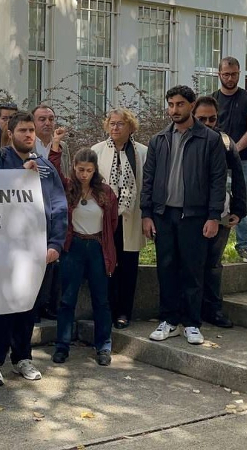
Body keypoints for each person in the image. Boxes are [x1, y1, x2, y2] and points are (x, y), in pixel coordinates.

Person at [0, 112, 67, 387]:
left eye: (31, 130)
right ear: (10, 133)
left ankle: (22, 358)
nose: (29, 135)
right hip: (1, 247)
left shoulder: (45, 166)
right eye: (23, 131)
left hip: (34, 250)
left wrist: (55, 243)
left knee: (28, 307)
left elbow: (58, 205)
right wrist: (20, 175)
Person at [141, 85, 227, 345]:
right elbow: (148, 179)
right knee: (166, 269)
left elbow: (218, 180)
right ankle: (169, 320)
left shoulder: (210, 139)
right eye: (171, 105)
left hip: (194, 216)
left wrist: (214, 216)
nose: (174, 110)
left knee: (192, 270)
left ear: (191, 105)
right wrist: (147, 214)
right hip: (163, 215)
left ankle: (191, 323)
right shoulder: (159, 140)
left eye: (179, 104)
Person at [49, 145, 117, 365]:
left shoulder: (105, 192)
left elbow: (112, 222)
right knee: (67, 299)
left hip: (97, 246)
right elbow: (53, 172)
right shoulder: (68, 188)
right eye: (80, 170)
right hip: (74, 246)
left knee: (101, 300)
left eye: (88, 170)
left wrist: (105, 245)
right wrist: (55, 147)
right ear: (74, 168)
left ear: (95, 170)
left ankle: (103, 347)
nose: (84, 175)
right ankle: (62, 346)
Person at [193, 96, 247, 328]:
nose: (207, 123)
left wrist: (239, 209)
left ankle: (213, 310)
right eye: (202, 119)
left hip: (221, 212)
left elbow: (238, 176)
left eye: (212, 119)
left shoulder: (225, 142)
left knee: (213, 264)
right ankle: (190, 310)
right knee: (191, 263)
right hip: (190, 213)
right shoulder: (184, 140)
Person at [91, 108, 147, 329]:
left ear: (130, 127)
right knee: (106, 265)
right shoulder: (97, 151)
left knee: (128, 266)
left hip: (131, 217)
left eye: (120, 124)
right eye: (112, 123)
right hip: (104, 219)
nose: (115, 127)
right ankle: (106, 310)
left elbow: (148, 185)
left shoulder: (142, 152)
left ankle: (124, 312)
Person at [211, 56, 247, 264]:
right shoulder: (212, 100)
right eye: (226, 74)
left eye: (234, 74)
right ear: (219, 74)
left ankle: (244, 245)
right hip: (216, 161)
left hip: (244, 160)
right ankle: (213, 245)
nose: (230, 78)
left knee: (243, 203)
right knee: (214, 202)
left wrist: (233, 151)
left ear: (239, 74)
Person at [32, 104, 70, 320]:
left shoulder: (63, 146)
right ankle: (33, 307)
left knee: (53, 258)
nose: (47, 123)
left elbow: (65, 175)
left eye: (51, 119)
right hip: (33, 210)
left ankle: (48, 305)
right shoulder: (27, 145)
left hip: (54, 208)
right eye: (42, 119)